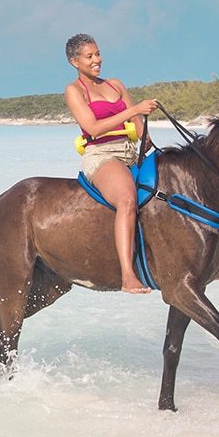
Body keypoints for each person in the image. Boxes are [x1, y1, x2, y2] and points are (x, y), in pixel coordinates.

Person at [64, 34, 158, 294]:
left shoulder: (116, 85)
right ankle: (128, 276)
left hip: (130, 152)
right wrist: (133, 111)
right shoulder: (75, 90)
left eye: (98, 54)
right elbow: (92, 128)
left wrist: (145, 134)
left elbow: (138, 127)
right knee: (127, 199)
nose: (97, 60)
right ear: (75, 62)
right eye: (89, 56)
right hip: (102, 156)